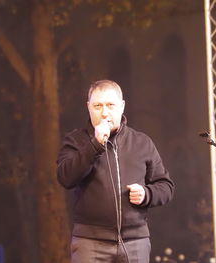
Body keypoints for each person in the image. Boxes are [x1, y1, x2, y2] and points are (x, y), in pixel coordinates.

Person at [57, 80, 175, 263]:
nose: (104, 113)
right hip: (90, 242)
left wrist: (147, 193)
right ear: (88, 107)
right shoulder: (75, 141)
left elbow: (166, 186)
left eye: (110, 105)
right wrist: (95, 145)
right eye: (97, 106)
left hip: (135, 241)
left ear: (122, 106)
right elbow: (65, 177)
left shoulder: (141, 142)